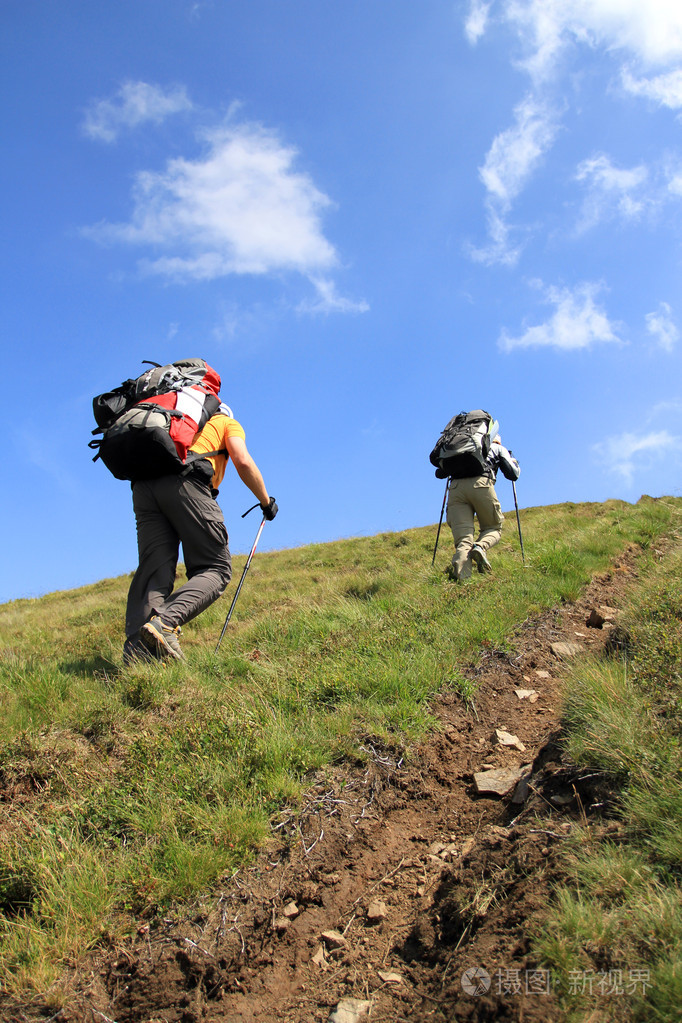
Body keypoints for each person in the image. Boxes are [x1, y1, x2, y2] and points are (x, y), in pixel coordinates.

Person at [123, 401, 277, 664]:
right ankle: (166, 623)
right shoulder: (225, 423)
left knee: (154, 572)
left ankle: (138, 656)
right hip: (187, 481)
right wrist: (266, 501)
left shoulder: (174, 422)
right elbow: (242, 460)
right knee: (216, 568)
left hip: (143, 487)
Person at [445, 432, 519, 582]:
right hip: (481, 484)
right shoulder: (497, 448)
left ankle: (463, 582)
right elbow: (513, 474)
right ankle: (480, 547)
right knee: (493, 528)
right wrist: (514, 461)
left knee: (463, 540)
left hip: (456, 488)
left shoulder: (462, 448)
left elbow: (440, 472)